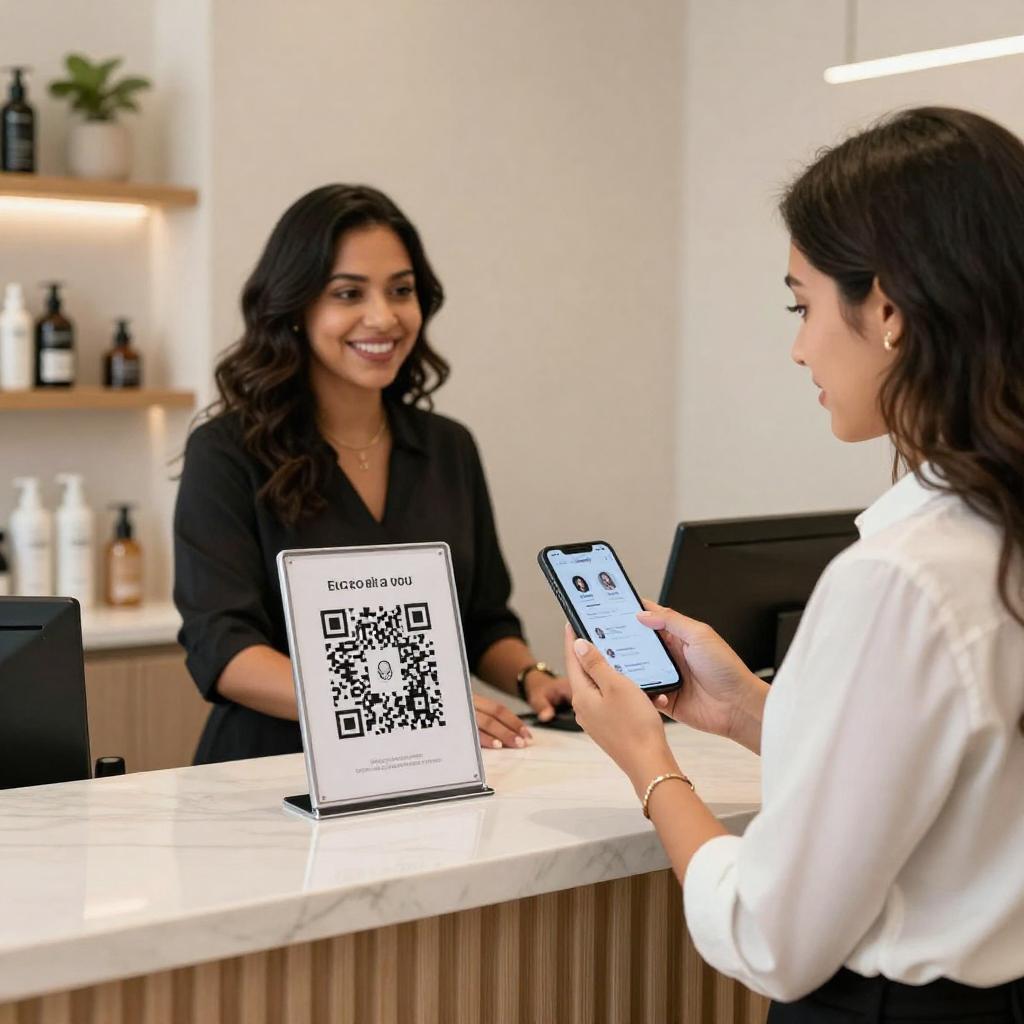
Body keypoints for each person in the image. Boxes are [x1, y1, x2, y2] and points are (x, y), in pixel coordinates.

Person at [564, 108, 1024, 1022]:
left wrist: (649, 764)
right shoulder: (991, 537)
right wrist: (749, 712)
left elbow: (771, 931)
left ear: (888, 308)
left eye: (802, 304)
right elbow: (956, 779)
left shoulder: (901, 578)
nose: (799, 345)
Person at [174, 184, 570, 764]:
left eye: (401, 291)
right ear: (296, 307)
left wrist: (535, 679)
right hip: (271, 772)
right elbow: (224, 651)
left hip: (428, 769)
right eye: (348, 293)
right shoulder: (226, 452)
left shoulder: (448, 448)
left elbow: (483, 620)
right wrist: (412, 703)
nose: (383, 316)